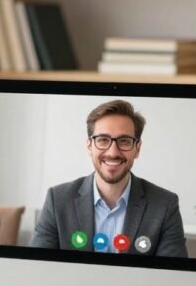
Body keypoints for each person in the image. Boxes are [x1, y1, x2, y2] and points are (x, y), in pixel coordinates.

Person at [30, 99, 187, 257]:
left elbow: (172, 271)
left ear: (137, 148)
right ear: (89, 146)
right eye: (103, 140)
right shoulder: (58, 200)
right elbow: (38, 265)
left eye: (124, 141)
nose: (113, 152)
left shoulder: (165, 205)